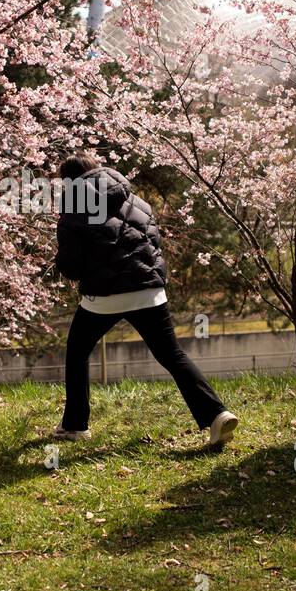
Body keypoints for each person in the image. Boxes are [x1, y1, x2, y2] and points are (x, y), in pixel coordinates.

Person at [52, 152, 239, 449]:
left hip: (104, 297)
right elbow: (153, 244)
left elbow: (71, 265)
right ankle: (217, 414)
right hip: (149, 291)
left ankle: (75, 425)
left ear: (69, 180)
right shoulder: (137, 201)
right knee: (173, 356)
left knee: (77, 353)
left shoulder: (74, 206)